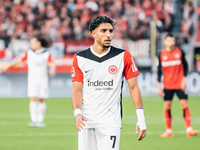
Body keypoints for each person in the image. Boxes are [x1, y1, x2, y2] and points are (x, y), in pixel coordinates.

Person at [71, 16, 146, 150]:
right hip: (86, 122)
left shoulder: (123, 56)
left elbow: (134, 88)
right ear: (93, 33)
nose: (108, 35)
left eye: (111, 31)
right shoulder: (80, 58)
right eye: (103, 31)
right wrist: (77, 113)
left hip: (110, 122)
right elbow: (77, 90)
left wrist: (141, 118)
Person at [1, 35, 56, 127]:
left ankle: (40, 120)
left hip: (43, 80)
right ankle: (34, 120)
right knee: (33, 98)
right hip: (32, 80)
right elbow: (17, 60)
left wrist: (52, 69)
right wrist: (7, 66)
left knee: (41, 99)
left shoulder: (47, 53)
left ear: (39, 43)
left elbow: (51, 64)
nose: (32, 44)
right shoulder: (29, 53)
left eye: (33, 42)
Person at [157, 33, 198, 137]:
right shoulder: (161, 54)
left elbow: (186, 66)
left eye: (173, 41)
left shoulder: (180, 52)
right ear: (165, 42)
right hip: (167, 85)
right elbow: (159, 70)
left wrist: (184, 79)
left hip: (180, 84)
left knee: (184, 104)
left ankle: (189, 129)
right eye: (169, 41)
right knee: (167, 106)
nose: (171, 43)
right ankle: (169, 131)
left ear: (175, 42)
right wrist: (158, 85)